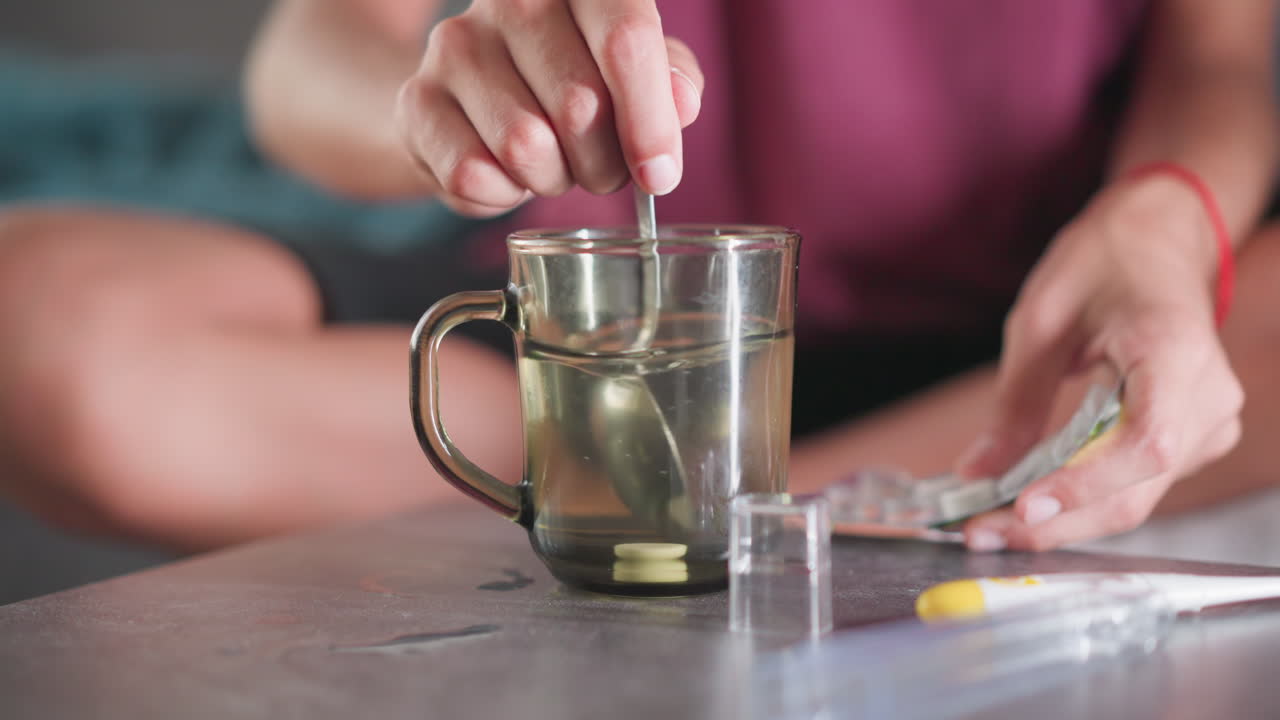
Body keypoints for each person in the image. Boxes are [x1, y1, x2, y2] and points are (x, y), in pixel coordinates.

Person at [0, 0, 1277, 556]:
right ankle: (803, 523)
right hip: (591, 381)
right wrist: (435, 115)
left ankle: (740, 520)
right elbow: (304, 58)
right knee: (35, 324)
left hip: (1017, 349)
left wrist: (1166, 224)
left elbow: (1220, 59)